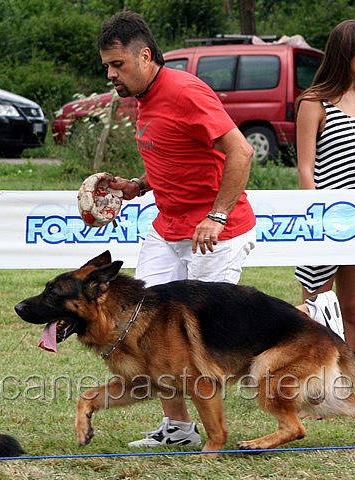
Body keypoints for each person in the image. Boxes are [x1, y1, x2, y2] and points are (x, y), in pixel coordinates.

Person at [96, 10, 257, 449]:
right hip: (167, 230)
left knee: (197, 340)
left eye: (117, 64)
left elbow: (240, 152)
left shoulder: (185, 91)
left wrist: (217, 215)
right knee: (142, 326)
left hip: (216, 235)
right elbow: (178, 155)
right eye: (107, 66)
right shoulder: (143, 98)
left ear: (145, 56)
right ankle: (178, 430)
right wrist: (137, 186)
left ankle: (220, 432)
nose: (110, 74)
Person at [293, 20, 355, 353]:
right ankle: (308, 387)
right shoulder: (313, 103)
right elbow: (305, 170)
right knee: (317, 312)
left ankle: (349, 386)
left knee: (353, 311)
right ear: (344, 55)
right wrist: (315, 223)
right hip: (326, 220)